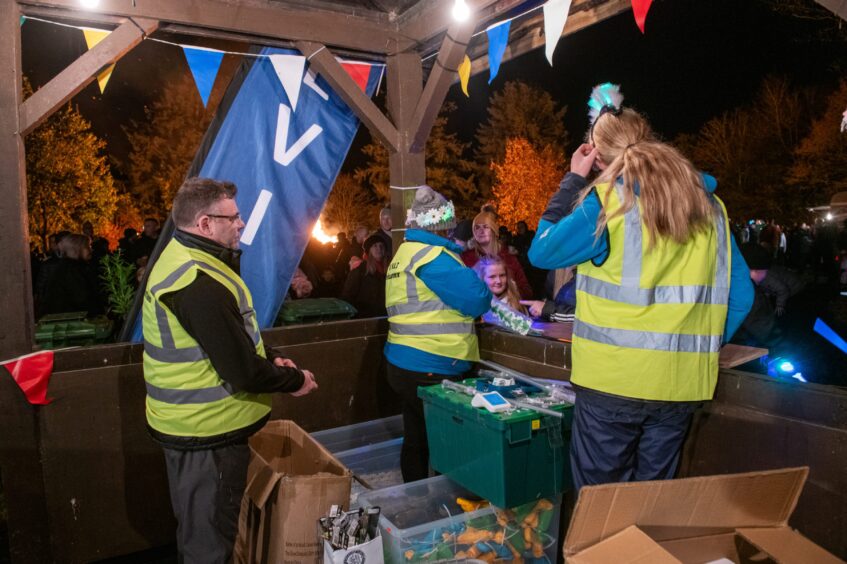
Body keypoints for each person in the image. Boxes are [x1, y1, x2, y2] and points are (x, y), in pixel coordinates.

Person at [528, 84, 754, 492]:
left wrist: (570, 181)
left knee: (601, 507)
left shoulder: (604, 202)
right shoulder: (712, 206)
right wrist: (697, 347)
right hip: (681, 387)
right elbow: (741, 296)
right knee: (649, 503)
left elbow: (541, 252)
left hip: (611, 385)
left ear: (598, 159)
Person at [141, 177, 318, 563]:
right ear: (205, 224)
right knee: (209, 546)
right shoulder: (196, 280)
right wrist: (295, 380)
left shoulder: (190, 261)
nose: (241, 224)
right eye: (233, 217)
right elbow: (241, 370)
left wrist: (270, 356)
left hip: (198, 429)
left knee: (209, 533)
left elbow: (229, 339)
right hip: (207, 435)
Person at [384, 185, 491, 482]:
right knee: (447, 444)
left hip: (403, 362)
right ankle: (446, 505)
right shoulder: (432, 256)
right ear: (441, 225)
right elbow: (478, 298)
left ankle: (417, 498)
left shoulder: (404, 253)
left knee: (416, 438)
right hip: (433, 363)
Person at [461, 211, 533, 299]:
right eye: (477, 228)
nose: (481, 231)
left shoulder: (508, 256)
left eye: (486, 227)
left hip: (509, 308)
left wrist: (507, 293)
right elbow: (462, 289)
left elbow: (526, 290)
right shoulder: (466, 258)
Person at [38, 233, 103, 318]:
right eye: (88, 246)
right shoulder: (72, 270)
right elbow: (82, 299)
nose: (91, 250)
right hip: (72, 320)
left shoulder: (69, 267)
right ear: (77, 248)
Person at [341, 234, 387, 318]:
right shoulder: (360, 270)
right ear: (369, 250)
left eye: (381, 246)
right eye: (375, 246)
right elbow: (347, 295)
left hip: (383, 316)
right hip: (364, 317)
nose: (379, 249)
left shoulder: (388, 270)